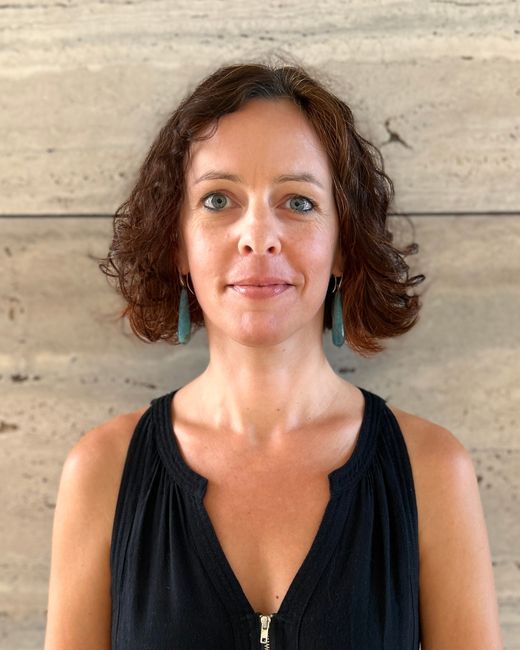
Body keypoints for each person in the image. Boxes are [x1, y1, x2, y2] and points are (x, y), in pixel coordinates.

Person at [43, 57, 503, 649]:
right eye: (218, 200)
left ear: (343, 244)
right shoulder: (101, 472)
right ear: (177, 242)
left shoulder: (432, 471)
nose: (258, 236)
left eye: (298, 202)